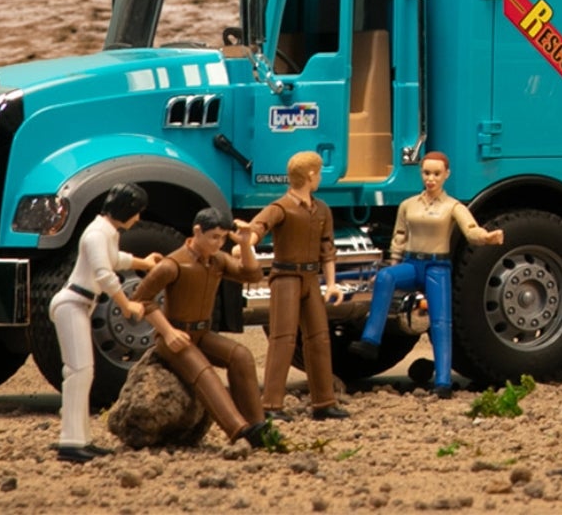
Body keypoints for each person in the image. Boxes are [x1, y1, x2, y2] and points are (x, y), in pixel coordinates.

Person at [352, 152, 502, 398]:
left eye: (436, 174)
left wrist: (486, 237)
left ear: (446, 175)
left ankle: (443, 382)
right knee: (386, 277)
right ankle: (371, 340)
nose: (430, 179)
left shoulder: (452, 206)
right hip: (412, 263)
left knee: (441, 323)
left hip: (437, 268)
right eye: (426, 173)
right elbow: (399, 236)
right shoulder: (408, 205)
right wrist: (393, 262)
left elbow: (470, 229)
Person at [133, 208, 275, 448]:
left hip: (202, 333)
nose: (218, 243)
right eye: (214, 237)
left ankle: (257, 424)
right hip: (176, 337)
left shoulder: (217, 260)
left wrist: (245, 245)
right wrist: (167, 332)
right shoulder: (173, 264)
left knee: (241, 355)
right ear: (197, 231)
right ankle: (238, 431)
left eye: (222, 238)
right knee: (205, 374)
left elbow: (251, 275)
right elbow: (142, 299)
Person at [49, 184, 157, 463]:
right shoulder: (97, 233)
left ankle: (80, 439)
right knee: (78, 372)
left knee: (82, 373)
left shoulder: (105, 232)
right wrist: (125, 303)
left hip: (81, 305)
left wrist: (144, 263)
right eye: (137, 212)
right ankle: (71, 442)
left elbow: (115, 260)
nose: (138, 219)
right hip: (73, 303)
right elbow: (105, 274)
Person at [241, 151, 348, 419]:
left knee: (319, 339)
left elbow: (328, 248)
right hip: (286, 278)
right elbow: (259, 227)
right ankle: (271, 404)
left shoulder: (321, 209)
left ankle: (324, 402)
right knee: (283, 339)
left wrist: (332, 283)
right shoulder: (281, 207)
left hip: (311, 279)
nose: (320, 177)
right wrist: (246, 242)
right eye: (319, 173)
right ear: (311, 175)